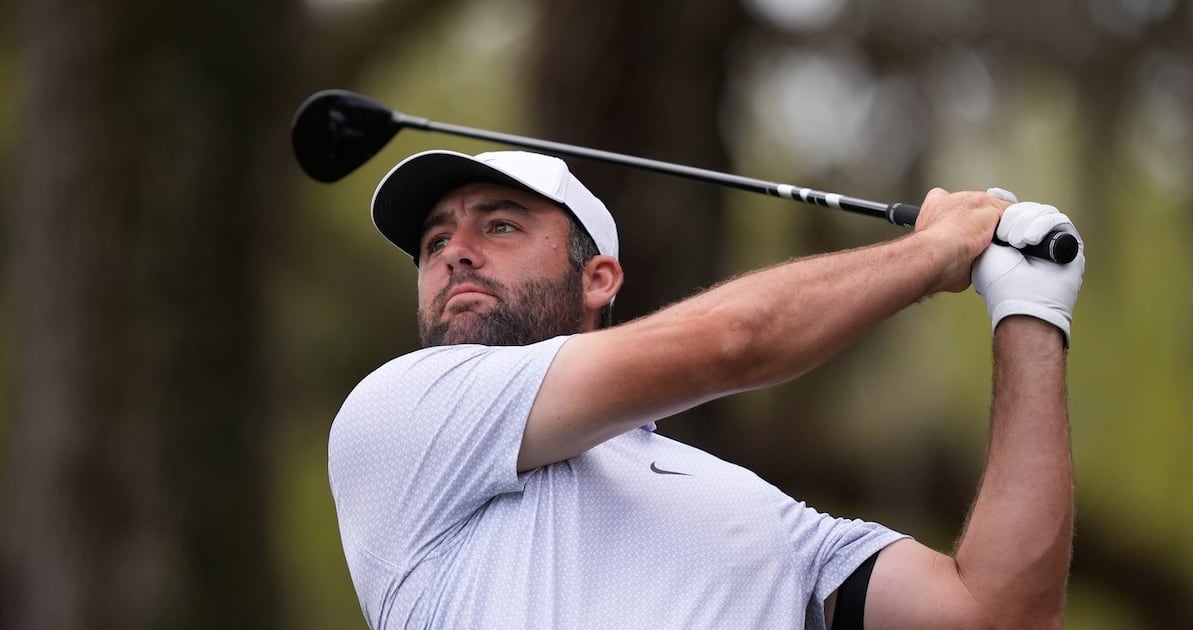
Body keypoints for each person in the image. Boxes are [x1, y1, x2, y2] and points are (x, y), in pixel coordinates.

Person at [328, 149, 1084, 629]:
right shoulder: (402, 415)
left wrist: (1030, 313)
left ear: (599, 280)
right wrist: (935, 251)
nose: (455, 254)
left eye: (498, 227)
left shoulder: (762, 516)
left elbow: (998, 614)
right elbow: (732, 344)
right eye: (434, 242)